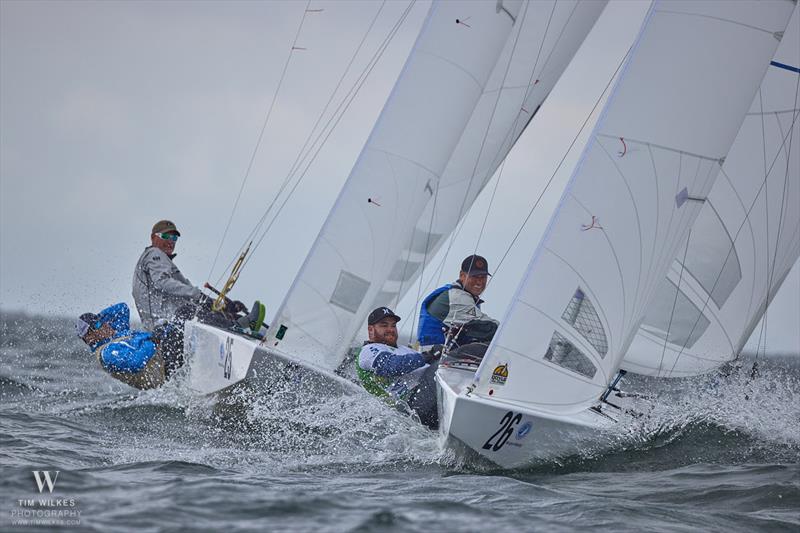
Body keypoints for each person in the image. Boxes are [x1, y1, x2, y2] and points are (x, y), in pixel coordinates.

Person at [132, 219, 265, 333]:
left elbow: (185, 290)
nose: (171, 241)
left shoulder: (161, 262)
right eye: (166, 237)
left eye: (174, 238)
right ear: (153, 237)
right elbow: (162, 282)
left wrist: (219, 304)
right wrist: (199, 296)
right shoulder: (154, 253)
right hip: (160, 327)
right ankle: (237, 327)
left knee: (200, 309)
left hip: (169, 322)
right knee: (189, 311)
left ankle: (242, 322)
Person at [357, 307, 441, 429]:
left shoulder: (404, 350)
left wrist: (437, 355)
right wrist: (428, 355)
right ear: (371, 329)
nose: (390, 330)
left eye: (393, 325)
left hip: (425, 397)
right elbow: (391, 366)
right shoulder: (368, 351)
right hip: (409, 407)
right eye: (384, 325)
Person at [75, 302, 183, 390]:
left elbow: (122, 308)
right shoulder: (107, 353)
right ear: (90, 338)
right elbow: (136, 362)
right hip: (163, 372)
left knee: (183, 312)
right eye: (98, 325)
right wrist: (154, 340)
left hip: (163, 353)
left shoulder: (116, 332)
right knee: (180, 319)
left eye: (101, 321)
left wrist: (98, 318)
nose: (104, 324)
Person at [417, 254, 499, 348]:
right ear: (462, 275)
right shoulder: (457, 298)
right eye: (475, 276)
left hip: (448, 353)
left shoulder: (467, 296)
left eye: (483, 277)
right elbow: (489, 327)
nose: (479, 282)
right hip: (436, 357)